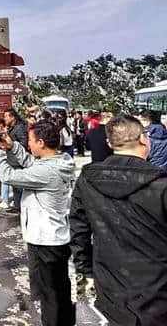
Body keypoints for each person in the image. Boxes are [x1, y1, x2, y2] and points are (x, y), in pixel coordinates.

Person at [70, 114, 167, 326]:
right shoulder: (161, 184)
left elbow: (79, 230)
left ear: (109, 143)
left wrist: (85, 271)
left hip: (110, 284)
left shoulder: (87, 178)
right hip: (157, 290)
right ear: (143, 139)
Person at [0, 121, 76, 326]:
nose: (28, 144)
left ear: (41, 142)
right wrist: (13, 147)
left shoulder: (47, 172)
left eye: (30, 141)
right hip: (54, 238)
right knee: (59, 290)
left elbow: (7, 175)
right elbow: (31, 163)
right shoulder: (58, 161)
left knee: (50, 295)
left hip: (45, 240)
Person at [4, 108, 28, 212]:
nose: (5, 118)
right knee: (15, 185)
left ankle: (20, 206)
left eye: (6, 116)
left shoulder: (19, 128)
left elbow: (24, 143)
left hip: (17, 159)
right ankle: (17, 204)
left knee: (18, 185)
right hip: (12, 158)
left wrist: (12, 145)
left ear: (12, 117)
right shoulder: (11, 128)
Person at [0, 118, 11, 209]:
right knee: (4, 178)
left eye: (0, 125)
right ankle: (5, 198)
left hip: (5, 155)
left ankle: (5, 200)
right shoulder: (4, 130)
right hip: (4, 154)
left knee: (5, 178)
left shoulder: (5, 132)